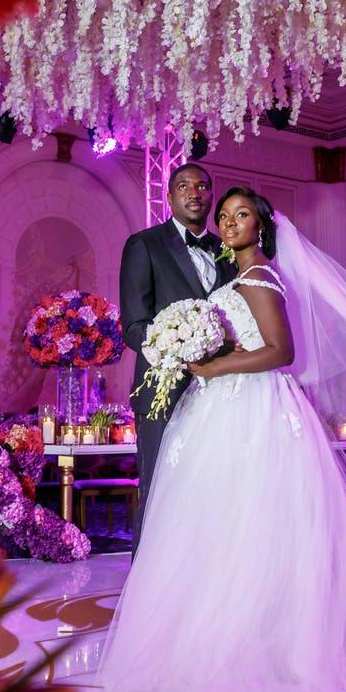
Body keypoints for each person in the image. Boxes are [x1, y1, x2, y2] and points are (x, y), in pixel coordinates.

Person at [98, 187, 346, 692]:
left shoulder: (261, 275)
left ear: (260, 226)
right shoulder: (231, 275)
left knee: (256, 522)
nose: (230, 222)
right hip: (216, 407)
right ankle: (203, 639)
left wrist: (216, 366)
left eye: (241, 215)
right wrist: (186, 348)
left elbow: (282, 351)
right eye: (226, 216)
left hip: (254, 408)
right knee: (213, 525)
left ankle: (270, 649)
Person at [118, 163, 236, 552]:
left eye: (203, 186)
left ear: (211, 196)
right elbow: (134, 325)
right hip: (162, 389)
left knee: (213, 484)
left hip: (220, 388)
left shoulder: (228, 252)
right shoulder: (144, 245)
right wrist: (176, 349)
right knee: (158, 483)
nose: (194, 192)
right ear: (169, 197)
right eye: (184, 186)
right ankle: (143, 587)